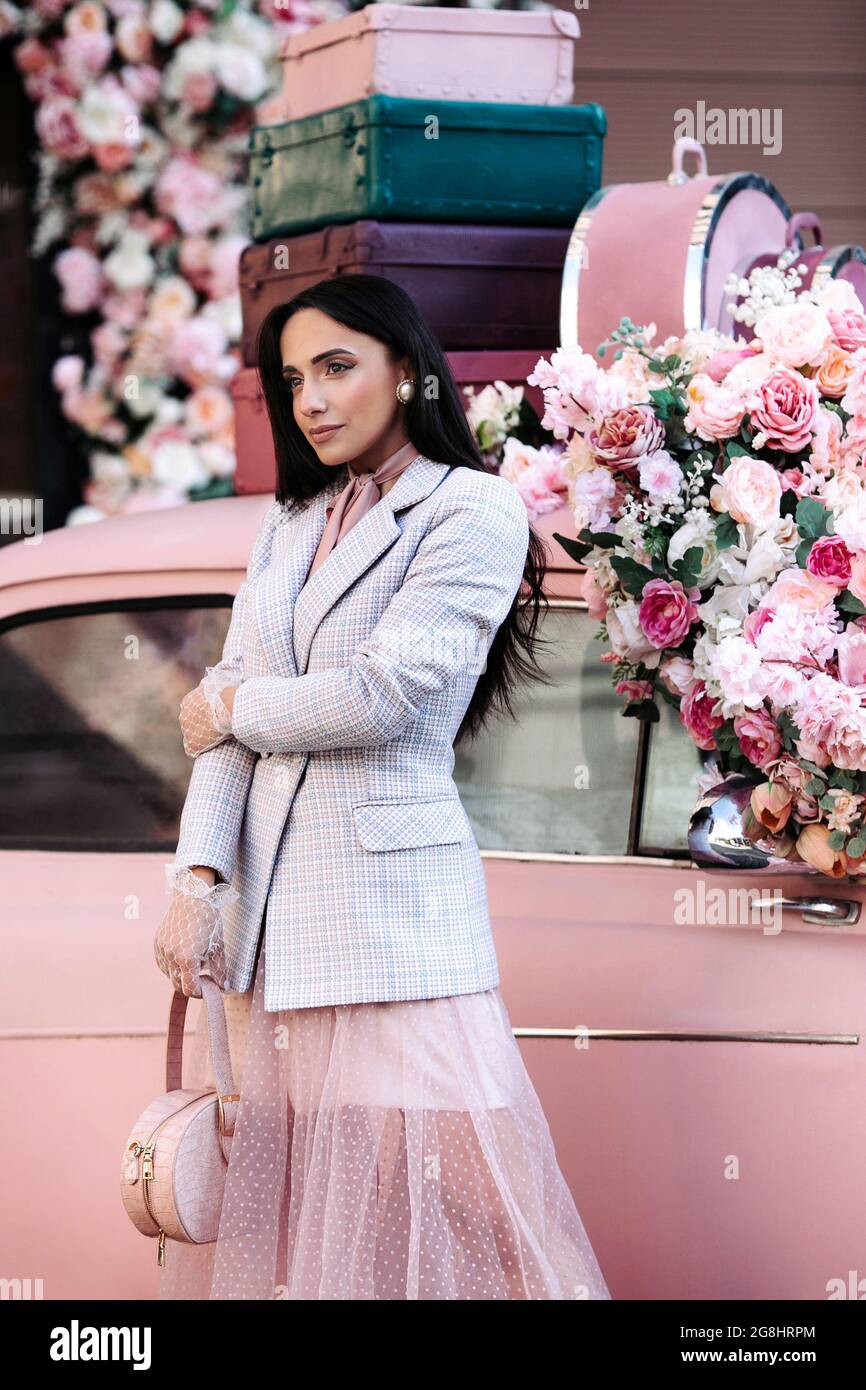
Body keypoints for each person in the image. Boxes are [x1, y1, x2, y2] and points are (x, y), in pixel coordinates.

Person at [153, 273, 611, 1301]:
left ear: (406, 372)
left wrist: (234, 708)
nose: (309, 400)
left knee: (489, 1213)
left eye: (335, 367)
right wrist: (195, 876)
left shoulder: (473, 509)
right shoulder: (289, 519)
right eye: (290, 379)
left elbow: (387, 695)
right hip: (271, 934)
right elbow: (228, 694)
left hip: (394, 929)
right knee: (322, 1237)